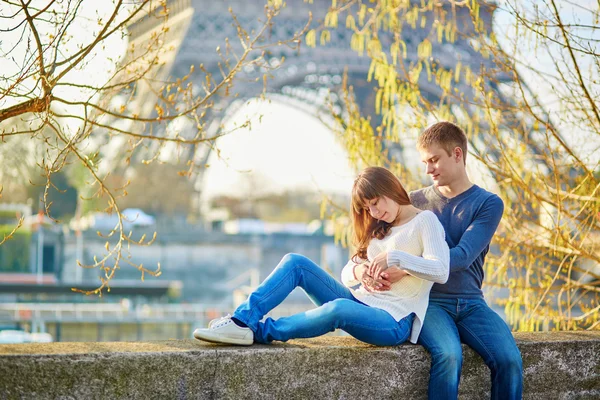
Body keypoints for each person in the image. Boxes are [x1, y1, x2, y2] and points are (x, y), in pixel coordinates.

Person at [193, 166, 449, 346]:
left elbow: (441, 270)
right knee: (296, 263)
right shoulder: (379, 227)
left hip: (394, 320)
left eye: (376, 202)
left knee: (339, 309)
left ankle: (259, 332)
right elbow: (347, 273)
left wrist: (396, 259)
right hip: (361, 302)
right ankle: (241, 320)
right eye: (367, 207)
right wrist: (362, 273)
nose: (373, 211)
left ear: (391, 188)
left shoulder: (425, 221)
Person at [365, 122, 523, 399]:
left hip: (471, 302)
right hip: (429, 302)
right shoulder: (414, 201)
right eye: (425, 162)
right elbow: (376, 244)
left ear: (457, 154)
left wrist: (405, 265)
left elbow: (462, 256)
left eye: (434, 160)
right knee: (449, 357)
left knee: (509, 360)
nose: (428, 169)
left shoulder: (488, 203)